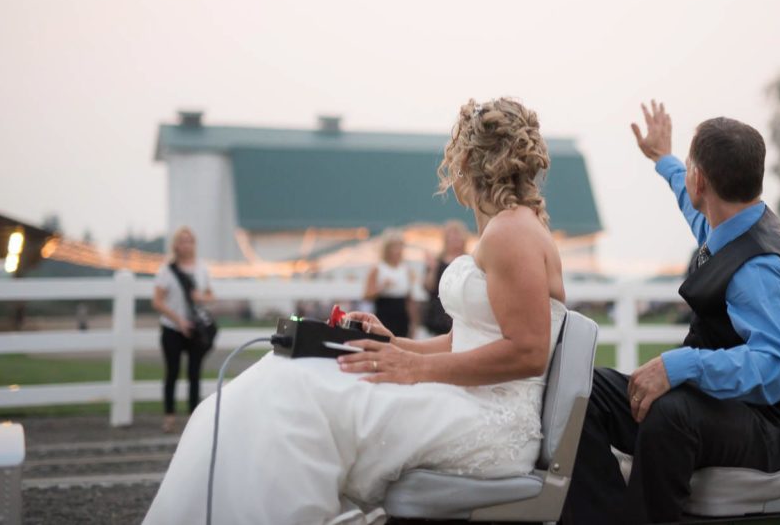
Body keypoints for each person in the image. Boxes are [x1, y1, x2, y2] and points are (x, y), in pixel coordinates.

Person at [144, 98, 568, 525]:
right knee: (289, 376)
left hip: (487, 422)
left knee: (299, 393)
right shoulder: (510, 228)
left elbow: (527, 352)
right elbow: (466, 342)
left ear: (468, 161)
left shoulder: (510, 232)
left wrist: (415, 370)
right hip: (466, 397)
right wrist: (392, 344)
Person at [562, 101, 780, 524]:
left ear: (700, 178)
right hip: (729, 411)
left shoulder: (759, 271)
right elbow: (689, 201)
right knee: (579, 390)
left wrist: (680, 364)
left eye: (688, 168)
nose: (687, 180)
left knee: (671, 414)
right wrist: (663, 158)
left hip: (773, 428)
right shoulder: (727, 224)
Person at [151, 226, 216, 433]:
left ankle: (193, 417)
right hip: (173, 328)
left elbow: (210, 296)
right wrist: (178, 320)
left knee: (194, 373)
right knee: (172, 372)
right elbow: (158, 301)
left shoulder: (201, 269)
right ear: (176, 245)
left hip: (195, 328)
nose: (186, 245)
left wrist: (200, 298)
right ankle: (169, 416)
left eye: (190, 241)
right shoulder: (166, 271)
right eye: (182, 240)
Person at [363, 231, 418, 338]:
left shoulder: (406, 269)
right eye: (394, 247)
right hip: (384, 314)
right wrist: (381, 287)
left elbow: (410, 300)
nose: (397, 250)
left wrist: (414, 324)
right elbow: (366, 295)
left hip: (401, 317)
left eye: (400, 246)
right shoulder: (378, 268)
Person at [422, 219, 468, 335]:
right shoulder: (437, 261)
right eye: (451, 237)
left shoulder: (469, 261)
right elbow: (428, 287)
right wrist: (432, 269)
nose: (455, 240)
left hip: (462, 313)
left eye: (458, 237)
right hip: (439, 314)